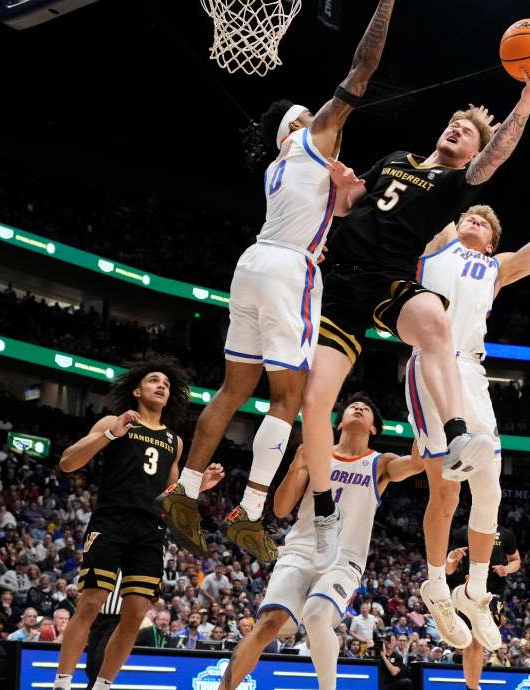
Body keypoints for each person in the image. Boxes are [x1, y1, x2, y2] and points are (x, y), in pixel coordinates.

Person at [299, 54, 530, 607]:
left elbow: (509, 181)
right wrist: (343, 187)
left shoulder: (463, 209)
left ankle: (474, 583)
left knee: (484, 473)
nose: (458, 129)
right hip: (347, 282)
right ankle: (342, 520)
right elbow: (352, 204)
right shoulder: (414, 187)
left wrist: (527, 103)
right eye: (457, 123)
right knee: (318, 403)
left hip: (432, 331)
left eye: (469, 133)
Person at [156, 0, 399, 568]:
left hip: (251, 265)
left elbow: (331, 210)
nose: (322, 114)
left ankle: (186, 492)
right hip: (292, 270)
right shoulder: (313, 137)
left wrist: (344, 193)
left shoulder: (277, 166)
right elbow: (361, 70)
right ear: (299, 125)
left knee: (232, 389)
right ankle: (250, 507)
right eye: (309, 113)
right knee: (289, 396)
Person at [413, 144, 530, 649]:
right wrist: (451, 155)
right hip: (432, 363)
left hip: (473, 377)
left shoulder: (497, 268)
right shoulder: (440, 242)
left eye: (483, 220)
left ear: (492, 239)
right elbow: (434, 191)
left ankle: (475, 589)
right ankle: (436, 585)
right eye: (470, 214)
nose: (474, 219)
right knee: (446, 492)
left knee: (491, 491)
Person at [215, 395, 423, 690]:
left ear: (374, 429)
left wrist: (423, 413)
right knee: (267, 624)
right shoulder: (314, 452)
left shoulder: (380, 463)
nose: (360, 408)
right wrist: (297, 465)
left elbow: (418, 463)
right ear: (338, 422)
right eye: (353, 406)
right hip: (300, 550)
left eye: (367, 409)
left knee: (316, 615)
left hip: (344, 559)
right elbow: (281, 509)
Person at [51, 357, 223, 690]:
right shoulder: (116, 421)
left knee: (135, 613)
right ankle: (62, 682)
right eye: (153, 380)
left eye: (167, 384)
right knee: (90, 603)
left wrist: (197, 487)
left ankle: (103, 685)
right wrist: (111, 434)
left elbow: (169, 495)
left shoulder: (174, 440)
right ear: (136, 390)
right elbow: (68, 462)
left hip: (150, 530)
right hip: (112, 519)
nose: (161, 386)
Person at [445, 524, 522, 690]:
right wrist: (453, 557)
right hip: (468, 592)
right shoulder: (462, 533)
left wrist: (506, 569)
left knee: (478, 640)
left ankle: (472, 686)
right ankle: (472, 686)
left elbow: (516, 560)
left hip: (493, 593)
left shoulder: (506, 534)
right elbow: (449, 570)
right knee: (469, 643)